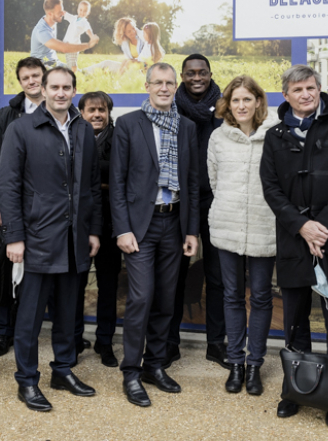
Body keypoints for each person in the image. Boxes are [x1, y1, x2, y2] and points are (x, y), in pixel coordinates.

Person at [260, 64, 328, 429]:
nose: (305, 94)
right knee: (294, 320)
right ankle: (297, 389)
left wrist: (323, 226)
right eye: (297, 89)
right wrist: (302, 225)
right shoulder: (274, 136)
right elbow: (270, 187)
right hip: (293, 239)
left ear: (320, 89)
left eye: (310, 87)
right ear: (285, 95)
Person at [0, 67, 102, 412]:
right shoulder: (21, 129)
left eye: (66, 87)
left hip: (74, 238)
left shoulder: (84, 129)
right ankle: (27, 381)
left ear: (74, 90)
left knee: (69, 312)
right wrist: (14, 236)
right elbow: (8, 186)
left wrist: (93, 230)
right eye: (54, 87)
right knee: (28, 317)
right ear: (42, 90)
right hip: (37, 237)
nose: (60, 93)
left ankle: (62, 370)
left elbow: (91, 188)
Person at [110, 62, 200, 407]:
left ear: (175, 87)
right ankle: (131, 372)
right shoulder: (129, 124)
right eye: (158, 82)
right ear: (146, 86)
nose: (164, 88)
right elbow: (116, 182)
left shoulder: (186, 127)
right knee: (141, 298)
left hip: (174, 223)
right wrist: (122, 229)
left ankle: (154, 366)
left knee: (166, 299)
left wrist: (191, 229)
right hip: (140, 227)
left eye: (169, 83)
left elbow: (191, 181)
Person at [207, 75, 277, 396]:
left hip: (265, 227)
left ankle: (255, 365)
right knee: (232, 296)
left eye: (247, 99)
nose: (241, 105)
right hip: (227, 226)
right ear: (228, 104)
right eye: (235, 100)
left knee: (261, 298)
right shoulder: (217, 138)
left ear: (258, 102)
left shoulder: (274, 135)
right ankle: (236, 362)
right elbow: (214, 180)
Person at [167, 54, 228, 369]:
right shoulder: (171, 108)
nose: (196, 77)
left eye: (202, 72)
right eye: (190, 73)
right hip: (181, 200)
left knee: (217, 276)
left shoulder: (225, 107)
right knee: (175, 274)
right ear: (182, 75)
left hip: (216, 200)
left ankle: (216, 344)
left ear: (210, 73)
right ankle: (170, 343)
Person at [0, 57, 47, 357]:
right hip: (11, 206)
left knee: (38, 278)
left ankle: (36, 333)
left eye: (36, 75)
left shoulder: (63, 113)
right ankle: (4, 333)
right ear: (20, 82)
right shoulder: (4, 117)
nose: (32, 81)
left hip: (46, 211)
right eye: (26, 77)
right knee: (7, 272)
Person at [77, 91, 121, 367]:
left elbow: (119, 172)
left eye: (101, 110)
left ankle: (105, 342)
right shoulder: (71, 137)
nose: (96, 115)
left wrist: (91, 175)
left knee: (108, 286)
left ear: (108, 113)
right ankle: (73, 339)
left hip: (110, 224)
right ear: (81, 113)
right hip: (78, 225)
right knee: (75, 286)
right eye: (91, 110)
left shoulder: (119, 138)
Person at [30, 0, 100, 67]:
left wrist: (92, 36)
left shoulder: (53, 20)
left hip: (55, 63)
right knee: (67, 74)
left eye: (62, 11)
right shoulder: (41, 31)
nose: (62, 14)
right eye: (59, 12)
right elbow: (64, 48)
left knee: (77, 71)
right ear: (50, 14)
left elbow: (87, 29)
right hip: (40, 66)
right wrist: (88, 45)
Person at [62, 1, 96, 70]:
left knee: (72, 63)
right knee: (69, 61)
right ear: (77, 10)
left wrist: (92, 37)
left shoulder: (85, 22)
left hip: (74, 44)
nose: (82, 12)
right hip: (67, 43)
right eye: (81, 10)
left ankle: (74, 71)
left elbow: (88, 30)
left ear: (88, 13)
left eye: (85, 11)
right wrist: (59, 10)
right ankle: (71, 71)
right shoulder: (73, 18)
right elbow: (66, 14)